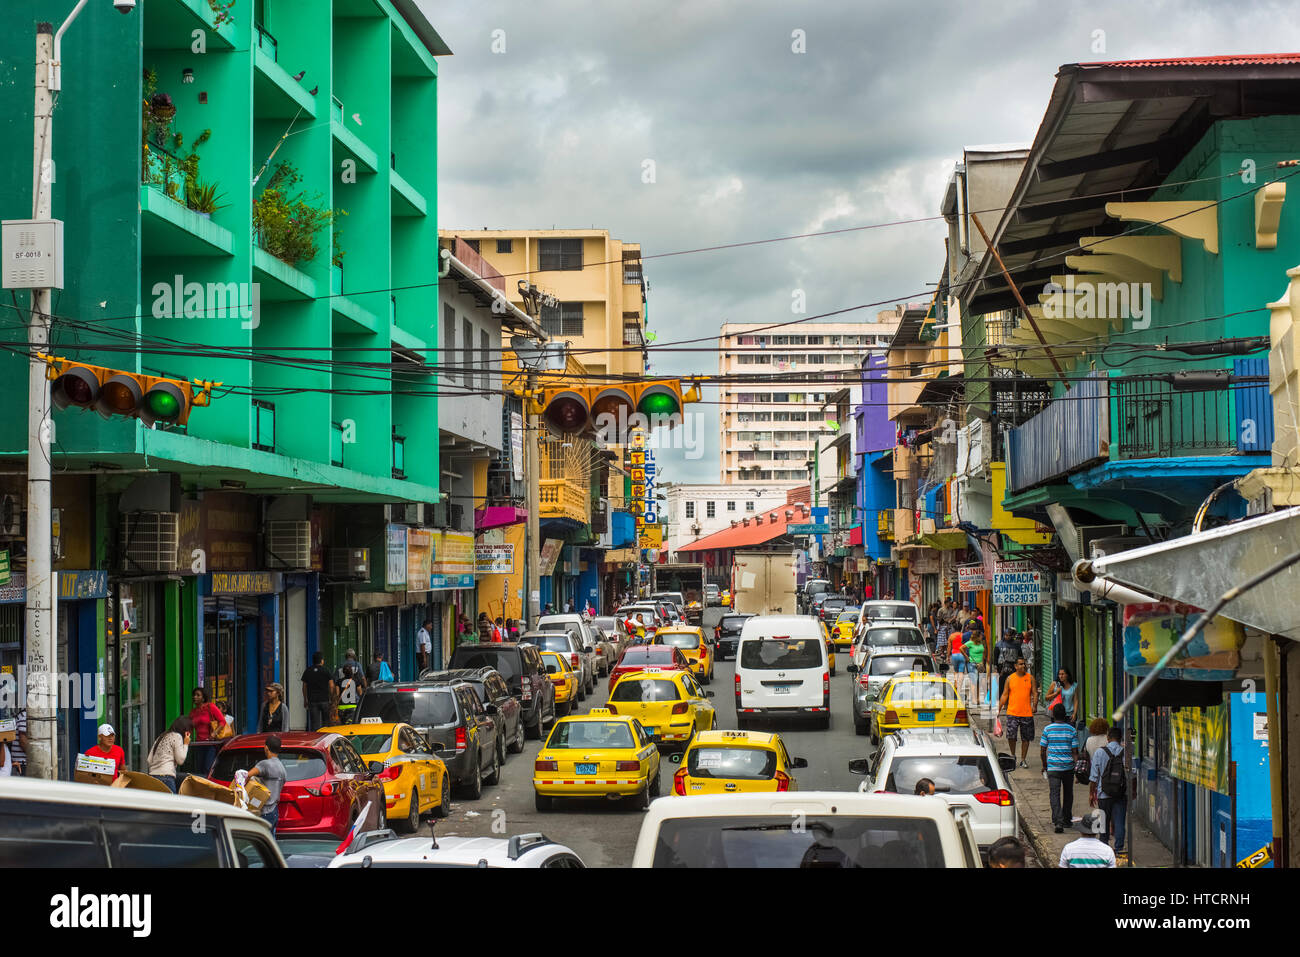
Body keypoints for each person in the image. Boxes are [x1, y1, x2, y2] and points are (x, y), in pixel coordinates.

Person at [1089, 725, 1129, 859]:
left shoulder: (1100, 752)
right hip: (1120, 793)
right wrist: (1132, 791)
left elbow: (1094, 776)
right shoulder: (1125, 752)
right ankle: (1118, 850)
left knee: (1103, 822)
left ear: (1108, 738)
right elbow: (1132, 775)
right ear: (1120, 739)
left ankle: (1104, 847)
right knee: (1119, 822)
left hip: (1103, 793)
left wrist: (1091, 793)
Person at [1039, 702, 1079, 834]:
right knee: (1068, 794)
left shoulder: (1047, 730)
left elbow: (1042, 750)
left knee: (1054, 794)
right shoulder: (1071, 730)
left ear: (1053, 715)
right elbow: (1075, 752)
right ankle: (1067, 819)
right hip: (1068, 768)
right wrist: (1077, 767)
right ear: (1066, 715)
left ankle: (1058, 821)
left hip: (1053, 768)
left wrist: (1045, 765)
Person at [998, 656, 1039, 768]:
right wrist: (999, 708)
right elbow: (1005, 694)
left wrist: (1034, 705)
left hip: (1026, 713)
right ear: (1015, 666)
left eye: (1024, 664)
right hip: (1012, 712)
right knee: (1011, 736)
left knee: (1026, 738)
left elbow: (1035, 692)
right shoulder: (1010, 679)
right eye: (1020, 664)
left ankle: (1023, 759)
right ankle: (1012, 756)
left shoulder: (1030, 678)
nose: (1023, 666)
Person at [246, 734, 287, 832]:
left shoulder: (265, 764)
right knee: (270, 842)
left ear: (266, 748)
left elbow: (247, 775)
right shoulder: (282, 768)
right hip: (274, 812)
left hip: (263, 812)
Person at [146, 716, 192, 793]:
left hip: (152, 777)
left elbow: (149, 760)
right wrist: (186, 744)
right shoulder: (177, 736)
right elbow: (180, 760)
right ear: (186, 731)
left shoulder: (162, 736)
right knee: (171, 804)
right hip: (166, 778)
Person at [301, 652, 335, 732]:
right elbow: (331, 686)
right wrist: (331, 698)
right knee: (326, 723)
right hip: (325, 700)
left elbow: (304, 687)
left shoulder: (308, 671)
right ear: (322, 661)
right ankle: (326, 740)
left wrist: (305, 699)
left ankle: (315, 740)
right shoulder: (326, 670)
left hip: (312, 701)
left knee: (314, 724)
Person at [337, 649, 366, 723]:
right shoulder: (357, 665)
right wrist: (365, 688)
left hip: (342, 703)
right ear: (353, 656)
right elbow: (362, 678)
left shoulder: (340, 665)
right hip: (353, 702)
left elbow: (335, 681)